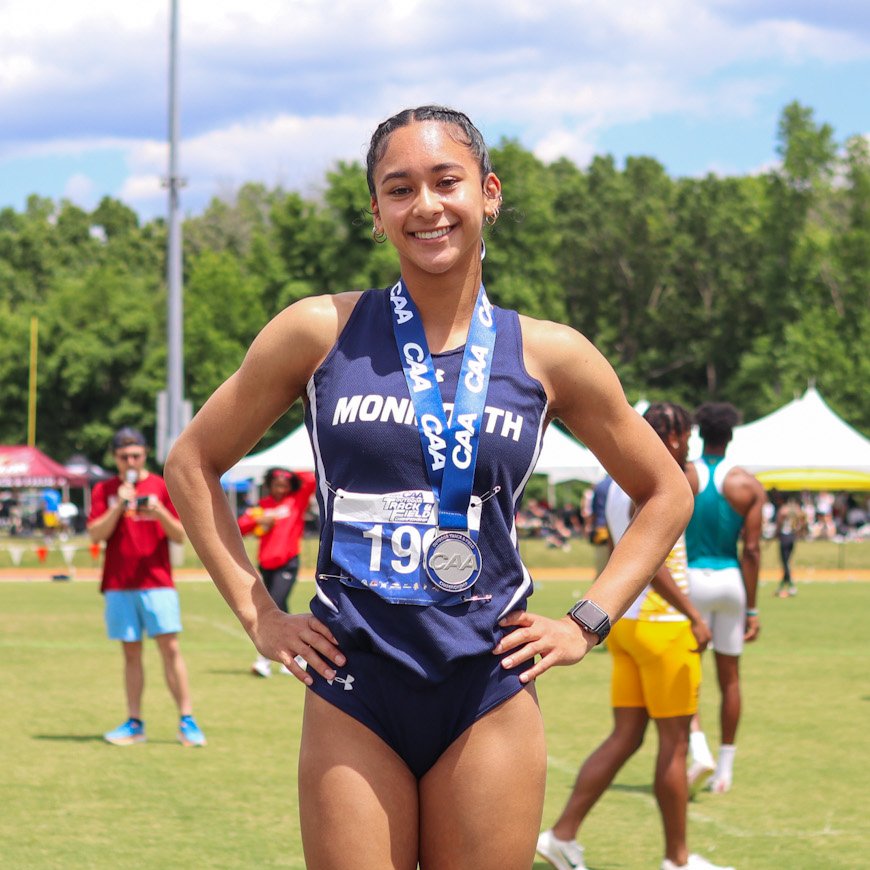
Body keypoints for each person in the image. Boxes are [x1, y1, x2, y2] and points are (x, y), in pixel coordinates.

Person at [164, 105, 692, 869]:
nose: (427, 206)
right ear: (376, 213)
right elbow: (191, 462)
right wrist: (260, 615)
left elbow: (665, 490)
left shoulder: (550, 354)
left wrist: (585, 622)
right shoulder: (320, 331)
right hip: (354, 683)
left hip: (488, 687)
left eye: (447, 181)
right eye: (400, 188)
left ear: (489, 192)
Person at [537, 403, 729, 870]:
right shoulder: (662, 480)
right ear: (678, 436)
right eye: (683, 436)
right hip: (662, 625)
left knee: (626, 736)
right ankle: (678, 860)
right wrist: (695, 616)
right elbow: (651, 559)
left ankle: (561, 836)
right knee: (675, 745)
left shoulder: (616, 479)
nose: (686, 445)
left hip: (624, 623)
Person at [87, 427, 206, 748]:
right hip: (119, 583)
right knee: (131, 653)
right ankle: (134, 722)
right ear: (115, 458)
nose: (130, 461)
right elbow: (95, 535)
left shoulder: (161, 485)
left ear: (145, 454)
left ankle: (187, 720)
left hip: (157, 583)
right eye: (124, 456)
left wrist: (159, 512)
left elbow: (180, 535)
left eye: (136, 455)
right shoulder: (105, 489)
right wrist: (118, 505)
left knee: (170, 649)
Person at [684, 402, 765, 794]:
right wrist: (752, 608)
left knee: (688, 672)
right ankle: (725, 771)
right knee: (730, 679)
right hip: (731, 580)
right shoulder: (748, 484)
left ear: (699, 434)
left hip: (692, 578)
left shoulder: (684, 475)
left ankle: (697, 748)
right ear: (730, 437)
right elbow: (752, 550)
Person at [239, 466, 316, 676]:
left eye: (285, 484)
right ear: (269, 485)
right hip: (266, 565)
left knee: (273, 605)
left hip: (288, 563)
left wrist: (288, 471)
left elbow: (311, 479)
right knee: (279, 607)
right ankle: (296, 655)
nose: (281, 488)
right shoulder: (262, 506)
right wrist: (257, 520)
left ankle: (264, 661)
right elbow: (240, 526)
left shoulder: (296, 500)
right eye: (277, 483)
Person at [774, 495, 806, 597]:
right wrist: (799, 531)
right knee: (787, 562)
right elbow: (803, 519)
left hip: (784, 536)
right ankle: (781, 586)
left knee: (785, 562)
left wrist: (776, 533)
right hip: (792, 536)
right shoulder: (797, 509)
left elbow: (779, 522)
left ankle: (791, 585)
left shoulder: (783, 509)